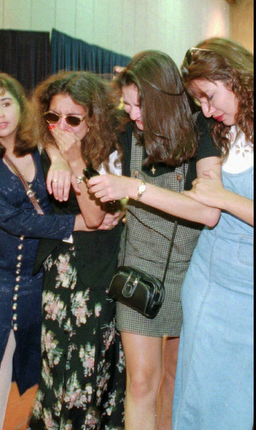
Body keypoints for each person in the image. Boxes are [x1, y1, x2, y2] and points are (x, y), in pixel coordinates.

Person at [85, 51, 221, 430]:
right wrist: (60, 159)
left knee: (174, 381)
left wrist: (134, 187)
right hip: (137, 270)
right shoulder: (128, 131)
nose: (130, 114)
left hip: (189, 274)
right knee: (142, 381)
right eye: (125, 104)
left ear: (163, 96)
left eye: (137, 104)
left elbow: (207, 211)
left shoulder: (201, 134)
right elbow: (71, 124)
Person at [0, 72, 98, 430]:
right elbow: (15, 220)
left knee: (44, 351)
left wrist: (59, 160)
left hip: (41, 270)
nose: (0, 114)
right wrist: (77, 225)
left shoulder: (43, 144)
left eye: (6, 102)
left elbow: (64, 149)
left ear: (20, 105)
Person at [26, 71, 126, 430]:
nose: (61, 126)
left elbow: (94, 215)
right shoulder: (46, 145)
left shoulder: (113, 151)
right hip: (59, 269)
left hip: (97, 270)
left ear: (94, 117)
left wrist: (75, 161)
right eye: (53, 117)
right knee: (55, 361)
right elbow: (1, 136)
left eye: (73, 119)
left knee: (90, 366)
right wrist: (57, 156)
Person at [172, 38, 253, 430]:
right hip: (206, 278)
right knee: (196, 398)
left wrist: (222, 197)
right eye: (199, 102)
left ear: (233, 76)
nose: (207, 110)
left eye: (209, 96)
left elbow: (217, 199)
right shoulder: (221, 129)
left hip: (245, 294)